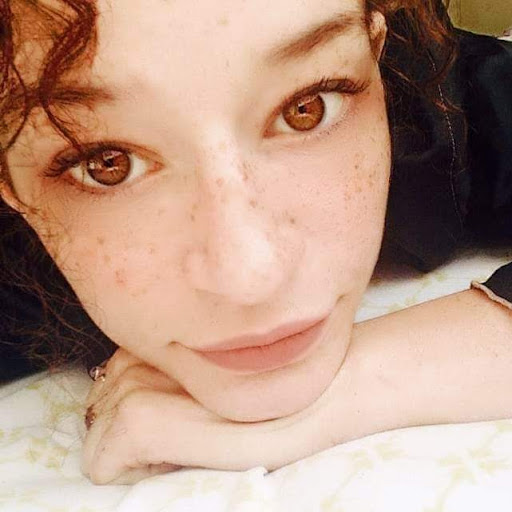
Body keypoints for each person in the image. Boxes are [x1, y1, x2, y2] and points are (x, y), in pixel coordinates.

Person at [1, 0, 512, 484]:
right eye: (105, 163)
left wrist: (368, 381)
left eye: (306, 108)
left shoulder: (438, 108)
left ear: (375, 54)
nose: (251, 278)